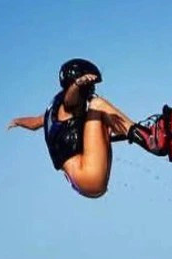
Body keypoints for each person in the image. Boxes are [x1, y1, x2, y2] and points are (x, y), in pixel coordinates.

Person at [8, 59, 136, 198]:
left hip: (81, 182)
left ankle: (137, 133)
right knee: (97, 104)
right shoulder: (67, 107)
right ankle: (145, 136)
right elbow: (70, 101)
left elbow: (34, 123)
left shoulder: (53, 113)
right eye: (91, 86)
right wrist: (78, 84)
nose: (93, 90)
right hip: (88, 174)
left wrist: (18, 121)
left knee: (101, 121)